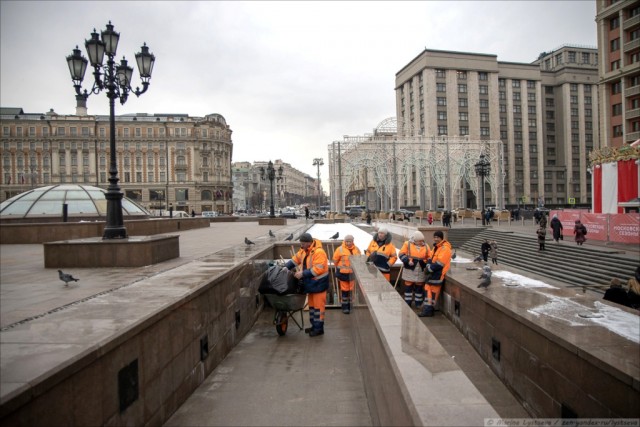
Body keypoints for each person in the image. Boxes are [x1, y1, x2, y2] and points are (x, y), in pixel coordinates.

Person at [285, 233, 329, 337]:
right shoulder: (304, 251)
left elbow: (319, 269)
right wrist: (285, 267)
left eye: (303, 243)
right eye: (301, 243)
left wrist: (303, 273)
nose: (301, 245)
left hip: (319, 284)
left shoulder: (319, 252)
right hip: (311, 284)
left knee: (318, 309)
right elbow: (295, 259)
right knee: (313, 307)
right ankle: (314, 326)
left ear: (309, 243)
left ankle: (319, 329)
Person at [419, 230, 452, 317]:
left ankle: (429, 311)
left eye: (438, 237)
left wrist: (429, 269)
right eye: (435, 237)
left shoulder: (445, 248)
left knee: (432, 294)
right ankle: (428, 310)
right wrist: (428, 265)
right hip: (432, 273)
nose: (436, 239)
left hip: (438, 274)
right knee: (428, 291)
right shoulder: (436, 247)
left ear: (442, 238)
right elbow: (430, 257)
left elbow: (440, 263)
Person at [398, 231, 430, 308]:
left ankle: (418, 303)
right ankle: (408, 303)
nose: (421, 242)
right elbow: (401, 254)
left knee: (419, 287)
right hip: (410, 269)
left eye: (422, 240)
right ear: (415, 240)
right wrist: (407, 260)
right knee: (408, 287)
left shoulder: (426, 246)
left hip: (420, 270)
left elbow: (429, 256)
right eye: (419, 241)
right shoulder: (407, 244)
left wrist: (426, 262)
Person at [332, 234, 362, 314]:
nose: (348, 243)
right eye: (347, 241)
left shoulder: (357, 249)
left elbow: (359, 260)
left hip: (352, 274)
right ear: (345, 241)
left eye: (350, 241)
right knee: (345, 291)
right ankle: (345, 307)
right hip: (343, 274)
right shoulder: (340, 249)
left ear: (353, 241)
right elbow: (335, 261)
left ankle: (351, 306)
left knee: (351, 291)